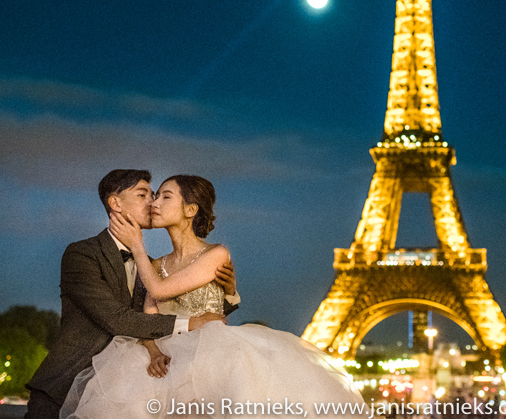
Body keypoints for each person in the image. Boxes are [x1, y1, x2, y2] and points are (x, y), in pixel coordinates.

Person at [60, 174, 364, 419]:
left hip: (211, 356)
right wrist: (153, 352)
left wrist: (137, 246)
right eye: (151, 195)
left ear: (191, 210)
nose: (155, 202)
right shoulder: (152, 264)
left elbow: (162, 291)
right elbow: (147, 313)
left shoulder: (215, 253)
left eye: (165, 195)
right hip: (166, 357)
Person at [25, 170, 240, 419]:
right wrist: (187, 326)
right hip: (69, 385)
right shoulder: (82, 255)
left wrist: (227, 291)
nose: (153, 203)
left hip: (136, 386)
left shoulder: (150, 266)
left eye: (157, 195)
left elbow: (191, 307)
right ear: (115, 203)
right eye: (144, 195)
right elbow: (117, 319)